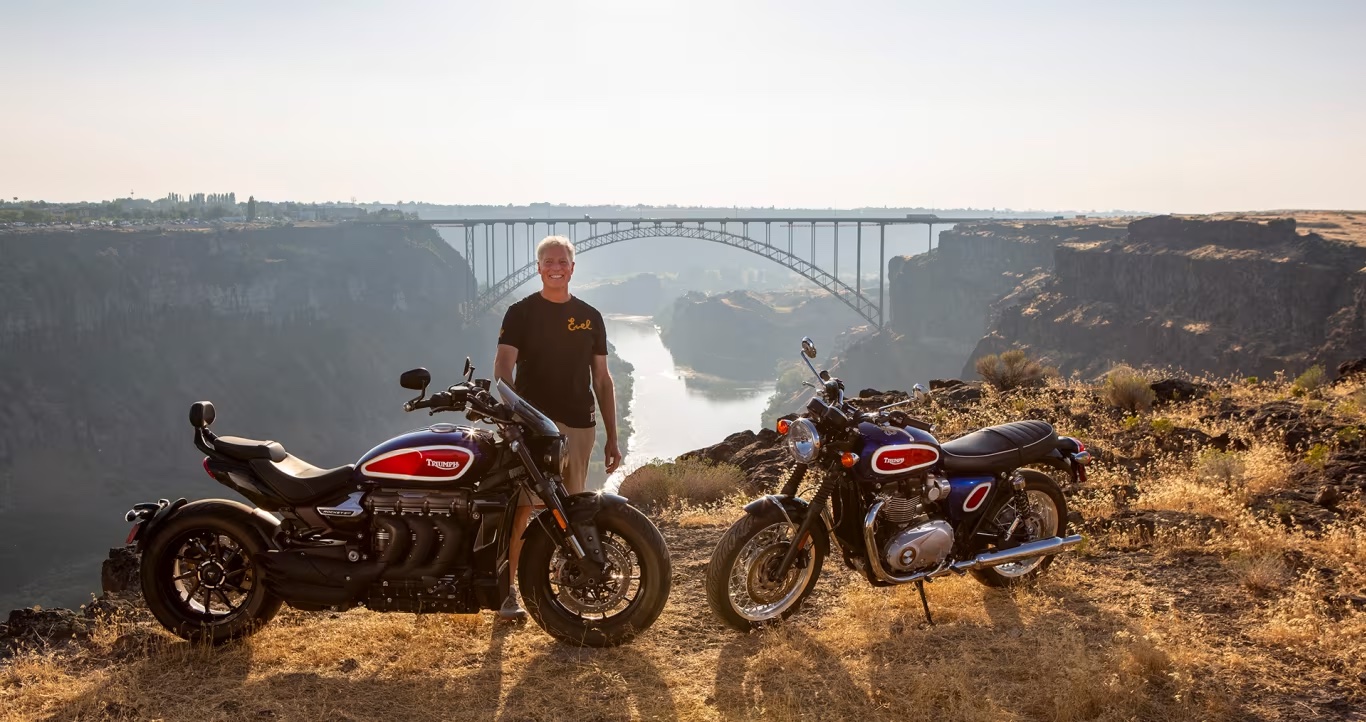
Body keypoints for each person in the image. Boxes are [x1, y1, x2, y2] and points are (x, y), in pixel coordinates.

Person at [492, 235, 621, 622]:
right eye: (548, 261)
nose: (555, 267)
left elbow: (602, 379)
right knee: (520, 512)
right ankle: (507, 594)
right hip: (534, 430)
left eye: (562, 261)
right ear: (538, 267)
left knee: (570, 513)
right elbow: (502, 369)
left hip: (580, 427)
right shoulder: (520, 313)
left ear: (572, 267)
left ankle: (565, 593)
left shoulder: (590, 316)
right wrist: (516, 418)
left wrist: (612, 436)